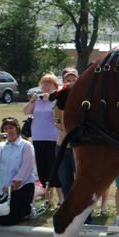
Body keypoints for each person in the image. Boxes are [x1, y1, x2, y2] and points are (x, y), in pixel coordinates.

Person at [0, 117, 36, 225]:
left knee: (9, 219)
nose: (8, 131)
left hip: (20, 187)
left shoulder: (26, 146)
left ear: (17, 129)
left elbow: (26, 168)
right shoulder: (1, 146)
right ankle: (16, 212)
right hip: (1, 189)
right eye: (5, 128)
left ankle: (26, 211)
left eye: (11, 127)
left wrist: (12, 185)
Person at [23, 73, 62, 207]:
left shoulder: (57, 99)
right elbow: (26, 111)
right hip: (38, 138)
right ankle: (48, 199)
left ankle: (61, 199)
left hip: (52, 138)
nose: (45, 86)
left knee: (54, 169)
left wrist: (50, 100)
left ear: (54, 86)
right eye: (43, 83)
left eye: (48, 83)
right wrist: (33, 100)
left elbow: (58, 113)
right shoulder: (37, 99)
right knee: (43, 170)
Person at [54, 68, 79, 197]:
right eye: (68, 80)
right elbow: (56, 119)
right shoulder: (59, 99)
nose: (71, 82)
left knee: (81, 183)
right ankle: (69, 213)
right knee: (65, 182)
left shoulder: (82, 99)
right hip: (62, 145)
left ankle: (85, 216)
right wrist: (58, 123)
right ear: (63, 82)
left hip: (78, 147)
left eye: (74, 80)